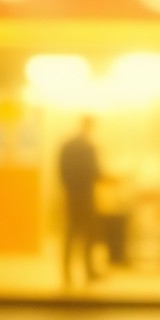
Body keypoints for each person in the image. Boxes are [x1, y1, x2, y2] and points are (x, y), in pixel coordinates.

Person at [58, 115, 102, 285]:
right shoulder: (89, 147)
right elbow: (96, 172)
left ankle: (66, 273)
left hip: (71, 194)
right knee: (88, 234)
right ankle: (88, 271)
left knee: (70, 233)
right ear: (89, 126)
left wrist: (67, 188)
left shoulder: (67, 145)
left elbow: (60, 170)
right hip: (86, 195)